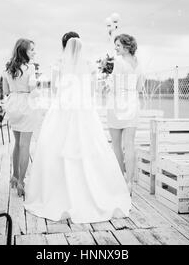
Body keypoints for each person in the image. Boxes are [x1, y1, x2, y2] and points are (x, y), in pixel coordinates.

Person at [23, 34, 131, 224]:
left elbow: (55, 90)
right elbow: (91, 91)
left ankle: (58, 192)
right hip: (83, 111)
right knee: (88, 149)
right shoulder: (88, 65)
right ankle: (90, 191)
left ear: (64, 46)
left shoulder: (58, 63)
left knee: (55, 148)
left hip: (62, 110)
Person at [106, 34, 144, 195]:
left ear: (127, 46)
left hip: (118, 103)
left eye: (118, 46)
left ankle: (120, 180)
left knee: (116, 144)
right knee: (129, 144)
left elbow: (113, 86)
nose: (115, 48)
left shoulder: (119, 62)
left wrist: (107, 85)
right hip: (132, 103)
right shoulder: (138, 63)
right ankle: (129, 183)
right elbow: (140, 87)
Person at [3, 38, 39, 197]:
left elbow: (5, 91)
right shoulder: (30, 68)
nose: (34, 52)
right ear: (24, 51)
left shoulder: (8, 68)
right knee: (25, 145)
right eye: (31, 50)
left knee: (17, 144)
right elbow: (33, 89)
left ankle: (14, 176)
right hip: (26, 105)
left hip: (13, 105)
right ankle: (21, 182)